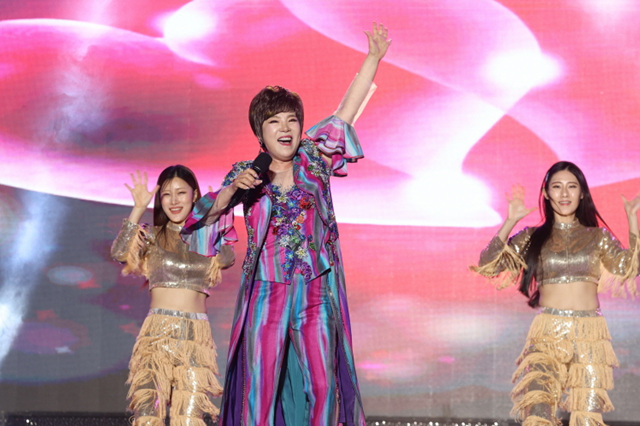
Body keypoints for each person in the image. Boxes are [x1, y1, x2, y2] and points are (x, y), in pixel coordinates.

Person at [180, 23, 391, 426]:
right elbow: (201, 216)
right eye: (274, 121)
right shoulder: (247, 173)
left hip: (315, 291)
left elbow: (345, 112)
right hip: (266, 292)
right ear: (260, 133)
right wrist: (232, 190)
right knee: (260, 387)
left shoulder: (313, 161)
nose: (285, 128)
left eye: (292, 120)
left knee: (324, 386)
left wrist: (373, 59)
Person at [472, 161, 640, 426]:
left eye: (572, 187)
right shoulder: (532, 237)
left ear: (582, 193)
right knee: (538, 414)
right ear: (546, 193)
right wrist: (510, 221)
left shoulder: (597, 237)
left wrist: (632, 220)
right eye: (557, 187)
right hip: (548, 333)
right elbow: (488, 264)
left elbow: (629, 267)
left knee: (587, 418)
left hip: (590, 335)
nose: (564, 194)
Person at [111, 165, 236, 426]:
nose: (174, 201)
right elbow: (120, 253)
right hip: (157, 336)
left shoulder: (208, 237)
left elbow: (228, 258)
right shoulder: (152, 235)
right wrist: (138, 208)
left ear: (194, 195)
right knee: (148, 417)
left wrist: (214, 220)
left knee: (188, 420)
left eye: (181, 193)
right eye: (166, 194)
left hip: (196, 339)